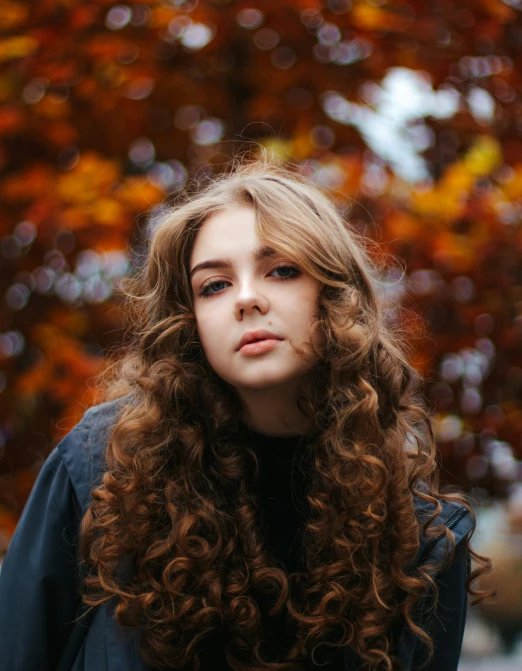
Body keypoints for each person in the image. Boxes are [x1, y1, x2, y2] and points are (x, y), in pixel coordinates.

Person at [0, 152, 493, 671]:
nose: (247, 299)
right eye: (214, 285)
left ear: (335, 295)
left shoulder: (420, 534)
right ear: (190, 321)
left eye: (281, 270)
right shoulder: (101, 469)